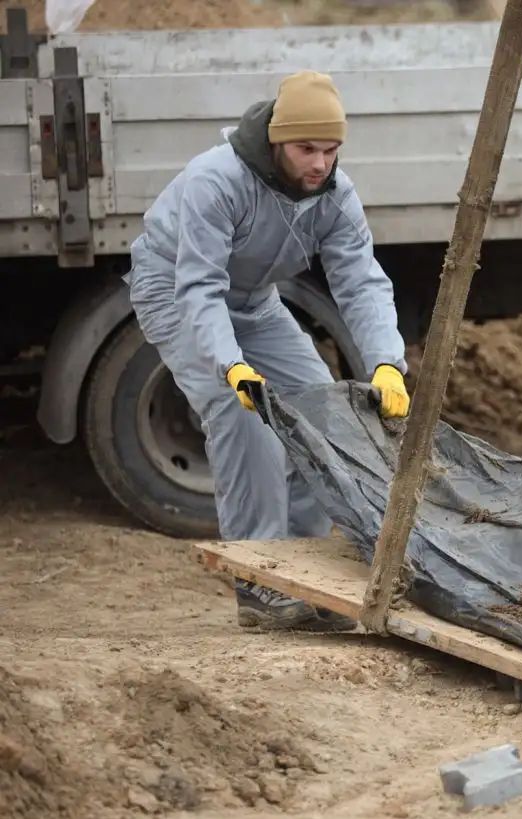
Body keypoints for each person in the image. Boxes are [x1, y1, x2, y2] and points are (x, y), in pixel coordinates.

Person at [125, 71, 411, 633]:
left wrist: (386, 360)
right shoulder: (218, 180)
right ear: (278, 141)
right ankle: (260, 579)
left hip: (255, 302)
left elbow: (361, 280)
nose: (320, 164)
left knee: (317, 411)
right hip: (177, 293)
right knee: (242, 412)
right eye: (307, 149)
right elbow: (200, 288)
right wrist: (232, 366)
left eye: (331, 151)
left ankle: (300, 573)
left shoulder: (334, 193)